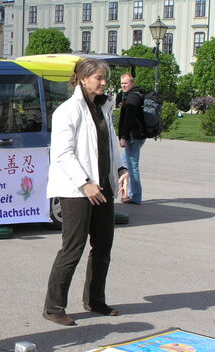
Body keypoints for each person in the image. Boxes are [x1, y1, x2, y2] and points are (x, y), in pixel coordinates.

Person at [43, 58, 129, 326]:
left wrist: (121, 168)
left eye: (105, 78)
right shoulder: (67, 111)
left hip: (102, 187)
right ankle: (53, 306)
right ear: (82, 78)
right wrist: (84, 183)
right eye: (98, 78)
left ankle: (95, 300)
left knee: (103, 246)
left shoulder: (103, 108)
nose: (103, 83)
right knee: (73, 248)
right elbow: (62, 154)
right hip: (75, 190)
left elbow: (109, 146)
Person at [118, 72, 146, 204]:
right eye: (122, 83)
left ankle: (135, 196)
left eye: (126, 83)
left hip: (133, 137)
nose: (123, 86)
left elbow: (128, 119)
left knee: (131, 166)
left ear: (132, 83)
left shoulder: (133, 98)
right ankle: (129, 193)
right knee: (124, 164)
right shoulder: (131, 95)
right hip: (135, 135)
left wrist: (123, 137)